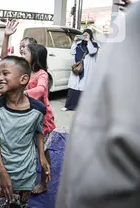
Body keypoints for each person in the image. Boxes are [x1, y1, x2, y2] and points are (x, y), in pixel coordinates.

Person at [57, 1, 140, 208]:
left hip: (106, 190)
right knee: (74, 92)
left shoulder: (101, 42)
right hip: (78, 74)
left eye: (86, 34)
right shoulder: (129, 23)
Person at [0, 56, 50, 208]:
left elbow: (38, 131)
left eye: (5, 73)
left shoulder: (38, 109)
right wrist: (2, 172)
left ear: (23, 79)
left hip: (25, 174)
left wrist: (42, 155)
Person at [20, 43, 55, 195]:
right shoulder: (25, 71)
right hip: (29, 119)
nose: (22, 51)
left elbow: (40, 90)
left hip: (43, 121)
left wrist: (24, 94)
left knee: (43, 152)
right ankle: (24, 180)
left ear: (35, 56)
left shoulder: (42, 74)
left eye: (25, 51)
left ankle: (43, 183)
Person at [61, 28, 99, 111]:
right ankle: (69, 106)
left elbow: (92, 51)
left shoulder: (94, 44)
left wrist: (88, 41)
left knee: (84, 88)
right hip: (77, 68)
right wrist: (74, 41)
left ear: (90, 36)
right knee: (73, 87)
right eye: (84, 35)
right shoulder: (79, 44)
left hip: (87, 69)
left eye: (87, 35)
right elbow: (72, 52)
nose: (85, 36)